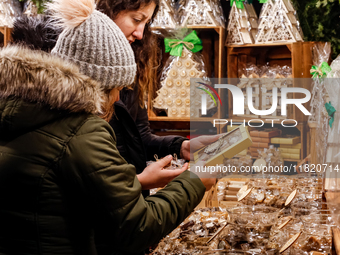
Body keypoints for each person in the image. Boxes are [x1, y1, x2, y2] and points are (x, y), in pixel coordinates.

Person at [0, 0, 214, 254]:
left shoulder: (24, 109)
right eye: (116, 90)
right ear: (96, 84)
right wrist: (195, 180)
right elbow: (137, 227)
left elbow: (65, 190)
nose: (116, 99)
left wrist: (144, 176)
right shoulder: (81, 130)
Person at [96, 0, 219, 191]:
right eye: (136, 19)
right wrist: (140, 182)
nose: (140, 33)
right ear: (107, 10)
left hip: (128, 200)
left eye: (146, 23)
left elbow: (139, 138)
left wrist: (181, 147)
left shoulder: (133, 65)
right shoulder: (73, 84)